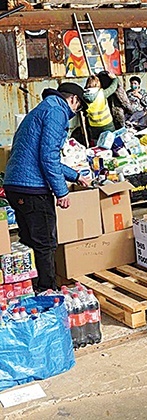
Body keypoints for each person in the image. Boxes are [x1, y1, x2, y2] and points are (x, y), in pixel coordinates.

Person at [4, 82, 90, 292]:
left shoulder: (44, 108)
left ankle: (28, 288)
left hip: (16, 185)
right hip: (32, 188)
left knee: (28, 241)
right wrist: (62, 192)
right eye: (78, 107)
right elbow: (48, 157)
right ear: (73, 100)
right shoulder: (56, 112)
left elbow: (43, 156)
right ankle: (47, 291)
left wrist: (75, 175)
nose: (75, 112)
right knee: (45, 244)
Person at [83, 72, 119, 142]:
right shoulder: (102, 94)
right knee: (112, 141)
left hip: (94, 125)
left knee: (97, 143)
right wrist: (114, 79)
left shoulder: (83, 97)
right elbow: (113, 87)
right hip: (107, 123)